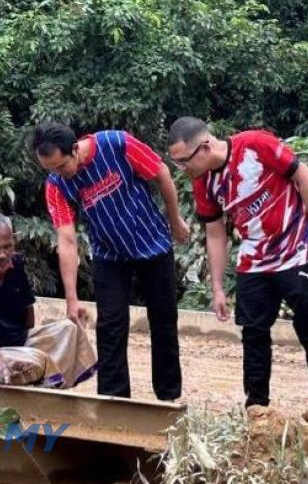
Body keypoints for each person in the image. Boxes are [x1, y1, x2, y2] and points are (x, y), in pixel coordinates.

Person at [166, 117, 308, 407]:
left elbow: (304, 176)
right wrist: (218, 286)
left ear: (205, 147)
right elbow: (215, 232)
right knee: (253, 334)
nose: (183, 170)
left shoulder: (256, 145)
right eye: (177, 164)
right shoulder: (203, 182)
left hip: (296, 251)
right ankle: (257, 408)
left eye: (184, 162)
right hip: (253, 261)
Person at [30, 123, 189, 400]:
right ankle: (113, 400)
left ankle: (168, 397)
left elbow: (161, 172)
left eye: (61, 165)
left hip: (153, 244)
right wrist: (71, 298)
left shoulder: (118, 144)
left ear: (75, 149)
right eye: (50, 169)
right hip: (110, 256)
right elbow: (67, 240)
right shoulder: (56, 185)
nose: (58, 173)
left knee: (163, 320)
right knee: (110, 327)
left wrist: (175, 221)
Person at [0, 213, 96, 388]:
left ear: (14, 241)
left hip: (18, 344)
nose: (3, 255)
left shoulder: (16, 264)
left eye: (8, 247)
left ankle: (54, 390)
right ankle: (44, 384)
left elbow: (27, 307)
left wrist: (28, 344)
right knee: (37, 360)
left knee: (70, 330)